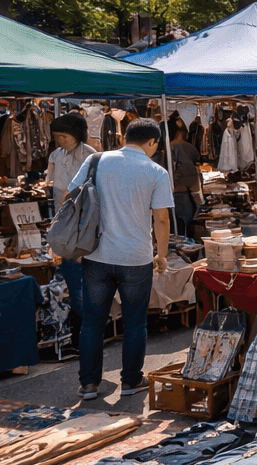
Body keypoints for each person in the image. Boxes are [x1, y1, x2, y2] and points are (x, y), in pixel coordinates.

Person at [68, 119, 173, 401]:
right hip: (136, 258)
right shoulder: (155, 171)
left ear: (125, 136)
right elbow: (161, 218)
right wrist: (161, 255)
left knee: (92, 322)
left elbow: (71, 196)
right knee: (135, 322)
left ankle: (89, 384)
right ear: (152, 143)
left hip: (96, 254)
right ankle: (130, 381)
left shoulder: (96, 160)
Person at [48, 112, 96, 325]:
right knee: (72, 281)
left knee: (84, 285)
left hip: (85, 225)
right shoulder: (56, 155)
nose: (59, 141)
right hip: (63, 226)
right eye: (56, 136)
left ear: (77, 135)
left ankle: (91, 331)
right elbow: (55, 190)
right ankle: (84, 329)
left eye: (63, 136)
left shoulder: (90, 155)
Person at [166, 119, 203, 237]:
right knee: (184, 236)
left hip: (165, 199)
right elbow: (193, 180)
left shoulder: (162, 151)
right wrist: (200, 202)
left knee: (169, 234)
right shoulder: (188, 148)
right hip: (183, 198)